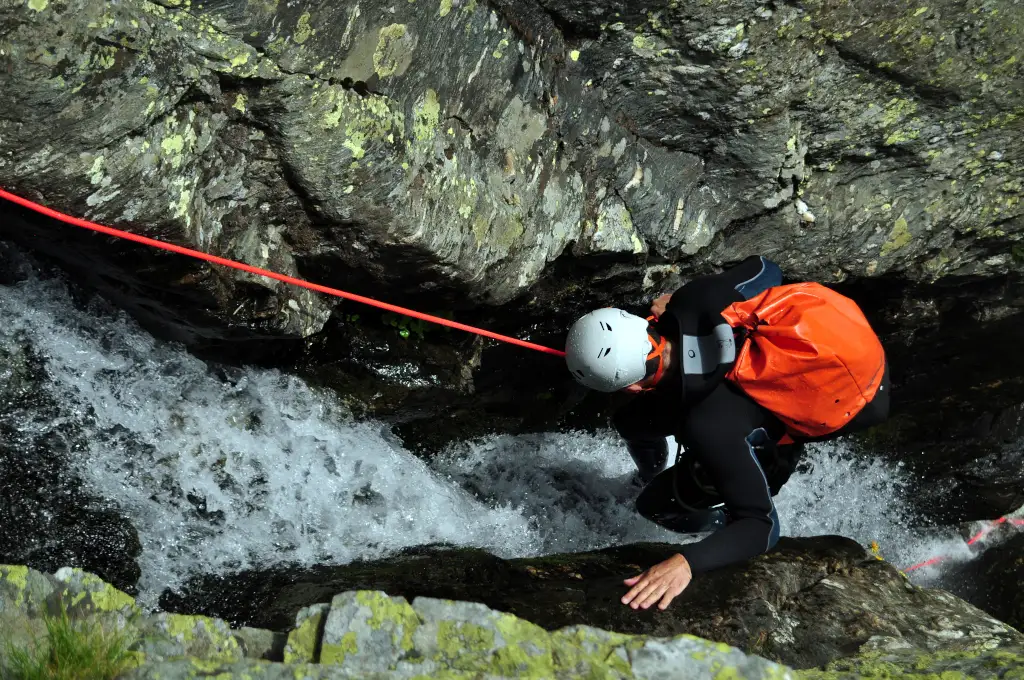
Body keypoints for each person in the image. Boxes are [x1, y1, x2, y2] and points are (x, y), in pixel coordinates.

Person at [564, 255, 890, 612]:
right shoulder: (698, 297)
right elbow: (768, 268)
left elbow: (761, 526)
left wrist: (687, 563)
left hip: (854, 404)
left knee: (654, 506)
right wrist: (678, 300)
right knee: (632, 424)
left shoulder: (710, 426)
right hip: (851, 344)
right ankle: (650, 472)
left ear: (631, 388)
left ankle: (741, 490)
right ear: (643, 324)